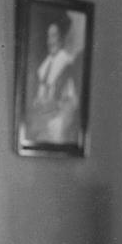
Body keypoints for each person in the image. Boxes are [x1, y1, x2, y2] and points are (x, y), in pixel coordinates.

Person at [27, 10, 79, 145]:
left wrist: (57, 122)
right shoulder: (45, 65)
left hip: (54, 126)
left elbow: (72, 103)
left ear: (62, 38)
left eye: (54, 36)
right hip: (39, 121)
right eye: (48, 36)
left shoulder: (67, 65)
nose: (50, 41)